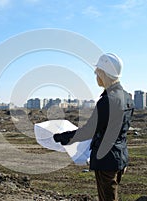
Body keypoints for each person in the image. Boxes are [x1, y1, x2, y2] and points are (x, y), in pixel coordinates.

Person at [53, 53, 134, 201]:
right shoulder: (127, 97)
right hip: (120, 157)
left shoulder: (107, 101)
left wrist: (62, 137)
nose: (95, 76)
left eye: (96, 72)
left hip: (106, 160)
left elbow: (89, 130)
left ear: (103, 73)